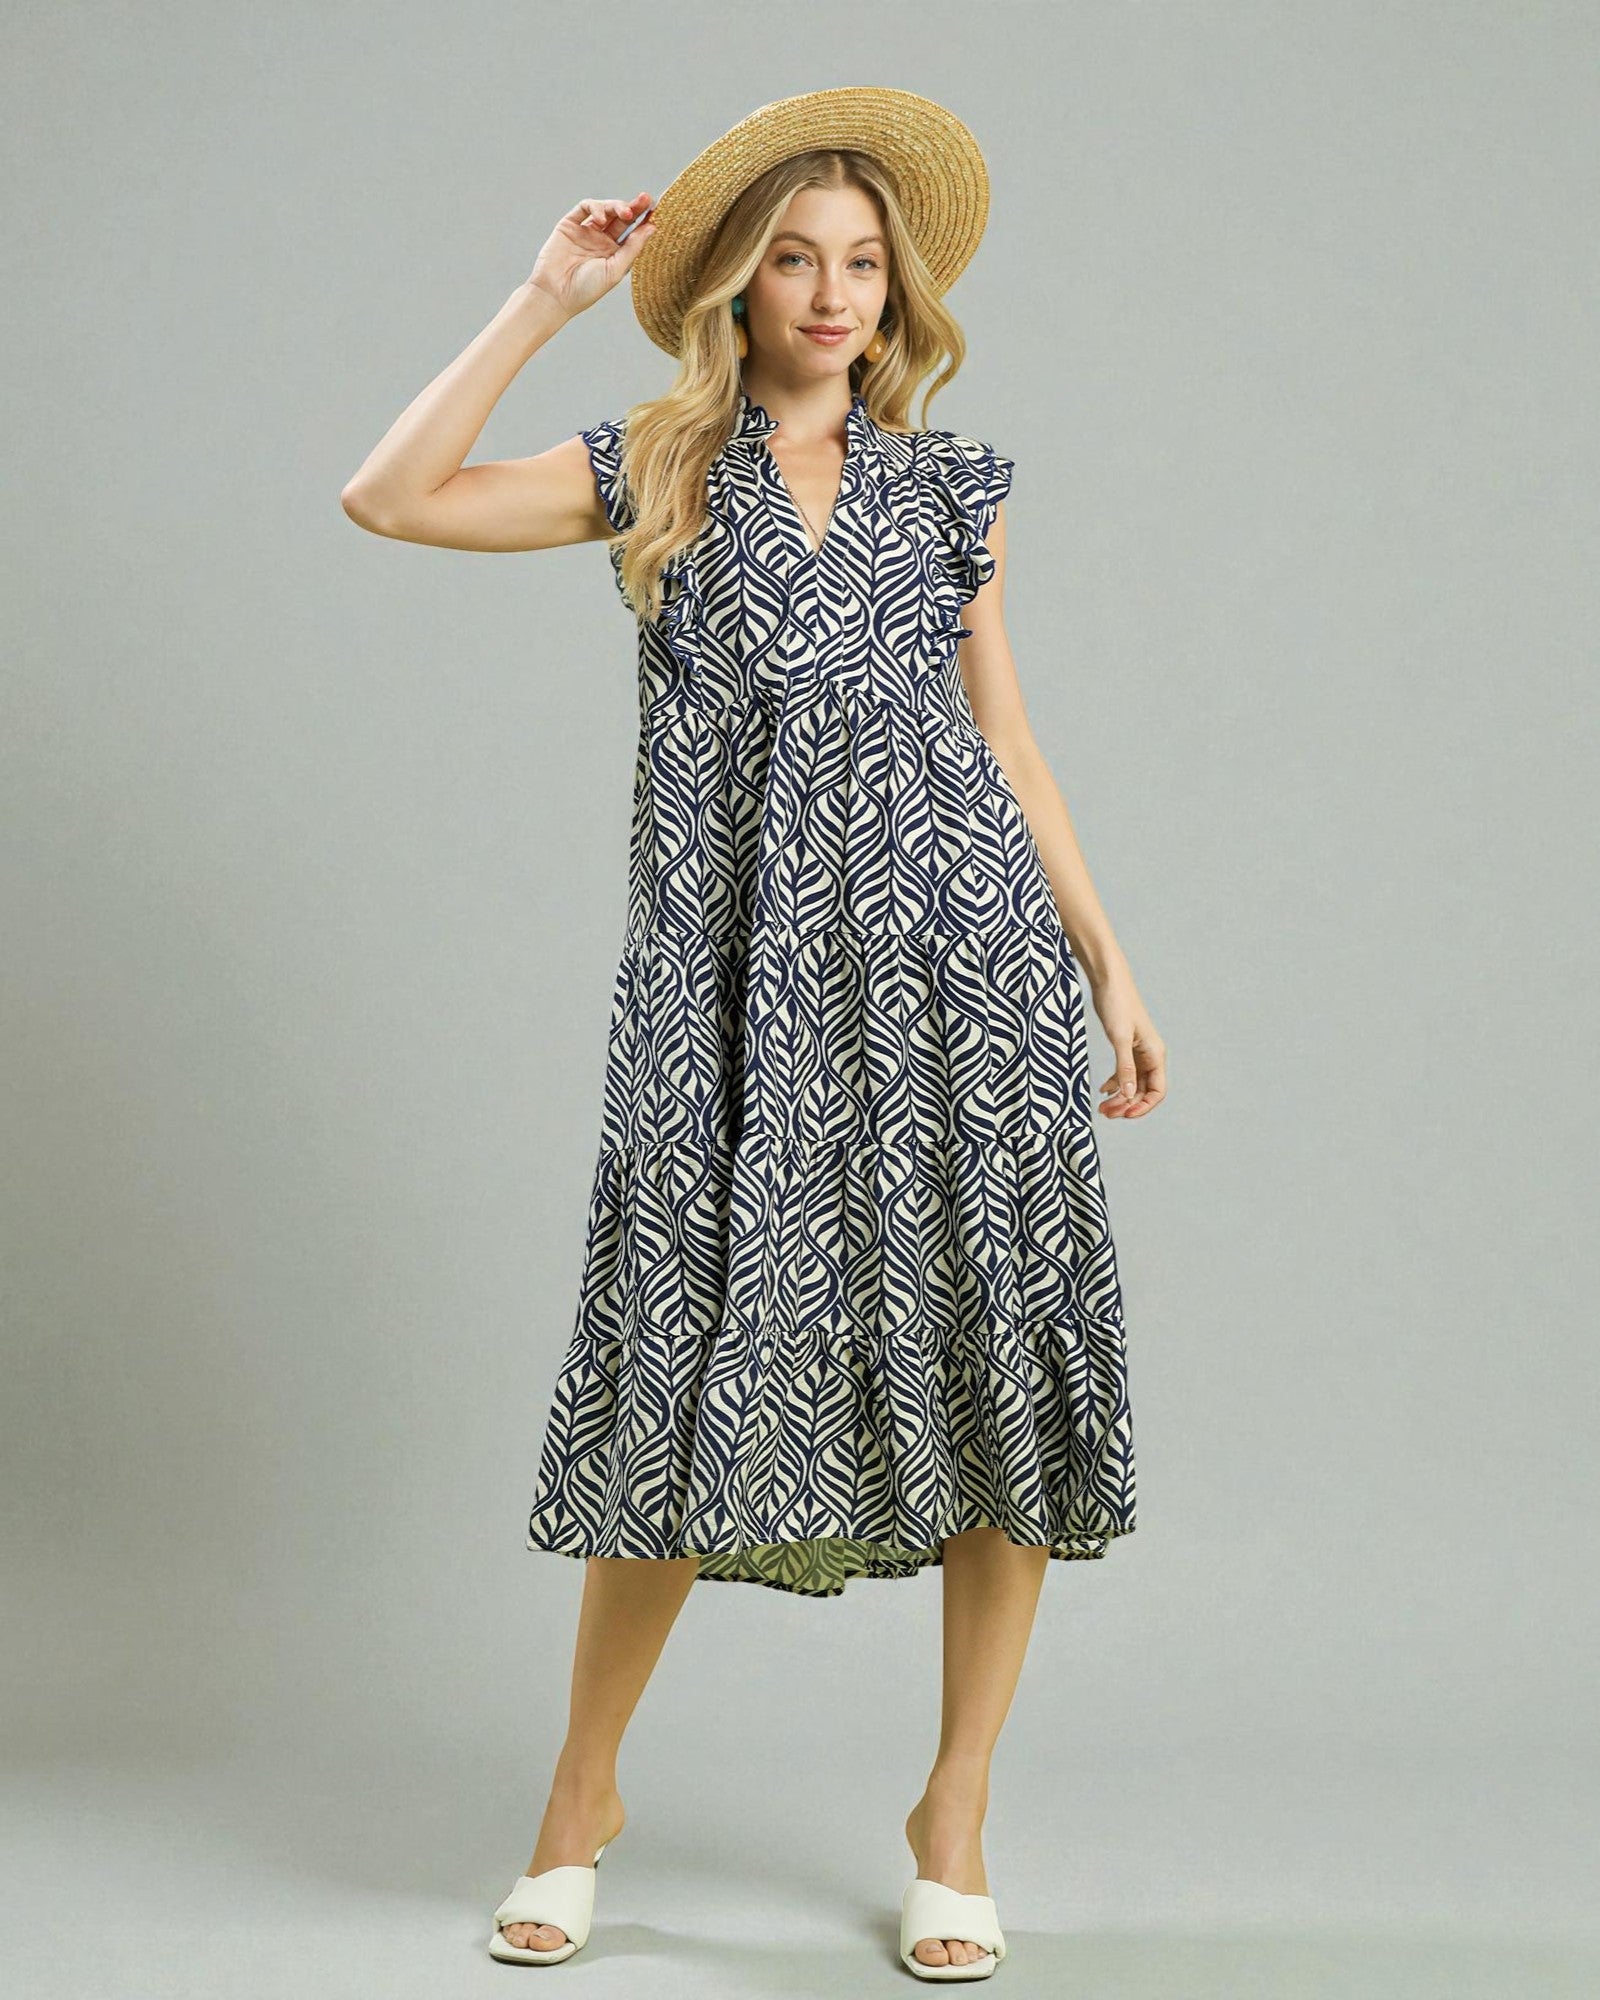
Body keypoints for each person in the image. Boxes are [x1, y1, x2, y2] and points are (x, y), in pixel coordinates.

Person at [342, 85, 1166, 1983]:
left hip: (967, 983)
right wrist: (540, 298)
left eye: (863, 263)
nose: (832, 291)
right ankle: (580, 1802)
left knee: (989, 1367)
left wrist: (1110, 963)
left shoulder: (955, 493)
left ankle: (953, 1811)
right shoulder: (651, 474)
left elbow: (1009, 747)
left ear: (901, 294)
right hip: (733, 1010)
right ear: (736, 280)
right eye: (796, 257)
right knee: (686, 1377)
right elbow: (389, 500)